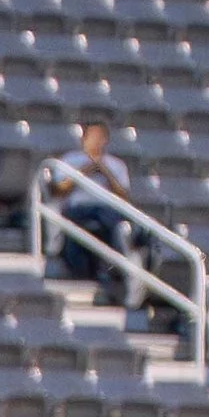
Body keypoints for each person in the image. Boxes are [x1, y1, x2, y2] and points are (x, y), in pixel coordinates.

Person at [45, 117, 138, 293]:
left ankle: (118, 266)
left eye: (100, 137)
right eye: (92, 136)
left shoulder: (116, 165)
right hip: (78, 208)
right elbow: (59, 189)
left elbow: (124, 195)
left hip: (106, 208)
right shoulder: (69, 160)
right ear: (84, 139)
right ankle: (79, 269)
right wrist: (85, 171)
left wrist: (105, 172)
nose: (96, 141)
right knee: (75, 227)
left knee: (116, 223)